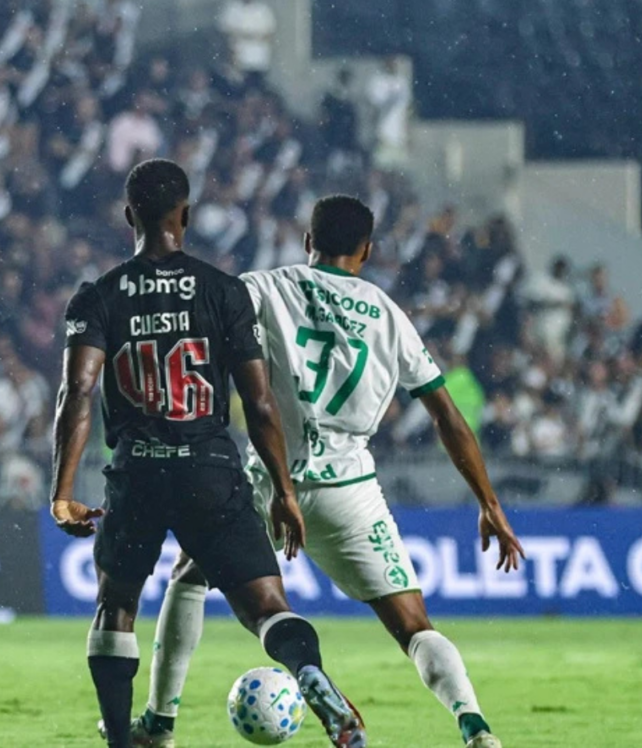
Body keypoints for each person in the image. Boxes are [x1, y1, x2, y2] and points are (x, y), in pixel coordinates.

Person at [126, 195, 524, 748]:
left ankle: (159, 723)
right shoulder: (389, 315)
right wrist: (490, 503)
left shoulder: (265, 287)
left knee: (189, 578)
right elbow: (447, 417)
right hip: (351, 491)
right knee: (414, 626)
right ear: (366, 251)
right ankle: (475, 727)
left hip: (270, 480)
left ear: (308, 242)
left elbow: (199, 314)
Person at [50, 160, 367, 748]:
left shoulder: (99, 296)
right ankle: (309, 675)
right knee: (267, 606)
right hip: (210, 470)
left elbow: (79, 393)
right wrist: (285, 492)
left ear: (129, 217)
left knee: (116, 604)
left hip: (138, 471)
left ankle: (124, 738)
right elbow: (261, 402)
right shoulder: (223, 291)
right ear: (186, 217)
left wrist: (62, 493)